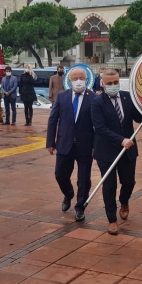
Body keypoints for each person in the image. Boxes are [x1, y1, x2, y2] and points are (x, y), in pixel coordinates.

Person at [91, 69, 142, 235]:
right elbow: (100, 128)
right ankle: (112, 219)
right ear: (103, 84)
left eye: (115, 83)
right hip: (106, 150)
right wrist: (120, 140)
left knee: (129, 182)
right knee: (109, 185)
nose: (113, 86)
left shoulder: (128, 97)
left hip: (128, 150)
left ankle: (124, 201)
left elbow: (138, 118)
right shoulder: (97, 102)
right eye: (109, 83)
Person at [46, 67, 95, 222]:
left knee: (84, 179)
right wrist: (50, 142)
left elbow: (98, 125)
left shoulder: (93, 98)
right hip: (64, 143)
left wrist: (97, 146)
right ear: (70, 80)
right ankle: (68, 194)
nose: (78, 81)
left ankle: (80, 207)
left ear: (87, 80)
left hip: (85, 145)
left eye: (82, 78)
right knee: (60, 174)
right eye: (75, 78)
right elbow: (53, 120)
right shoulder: (62, 96)